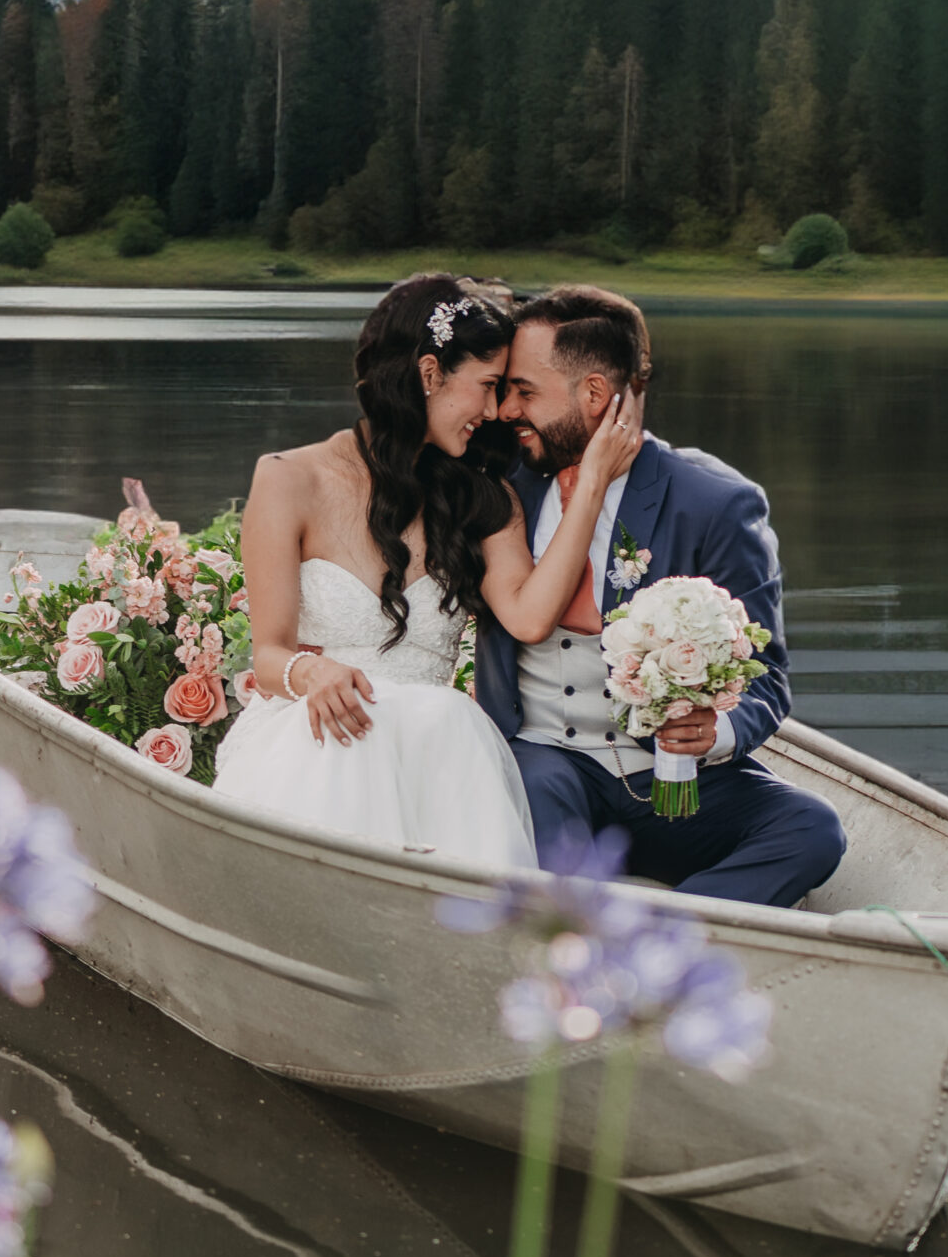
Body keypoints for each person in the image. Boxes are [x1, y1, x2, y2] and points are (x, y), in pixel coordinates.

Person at [213, 271, 643, 865]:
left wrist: (592, 480)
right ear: (429, 373)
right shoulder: (289, 479)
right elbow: (268, 656)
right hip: (320, 730)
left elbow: (530, 616)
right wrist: (312, 675)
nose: (495, 412)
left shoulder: (479, 498)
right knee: (349, 749)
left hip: (440, 754)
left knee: (444, 716)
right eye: (488, 386)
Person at [474, 284, 847, 907]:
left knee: (812, 828)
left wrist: (717, 731)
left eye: (525, 391)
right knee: (539, 797)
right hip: (548, 761)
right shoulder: (502, 485)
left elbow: (768, 681)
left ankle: (659, 941)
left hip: (674, 784)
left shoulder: (716, 503)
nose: (507, 409)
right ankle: (594, 932)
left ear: (593, 395)